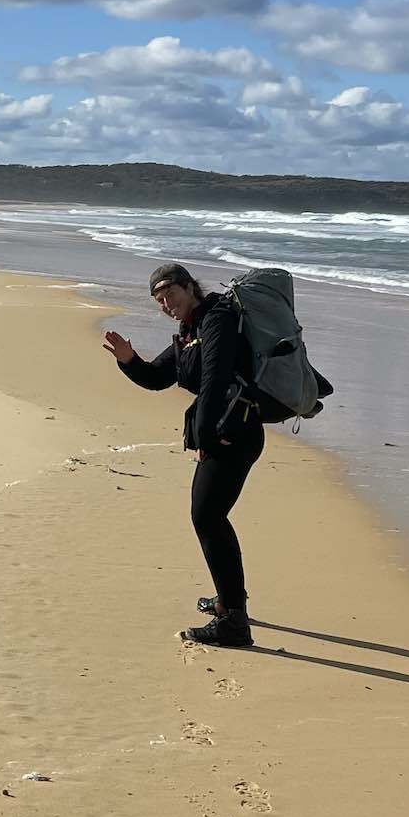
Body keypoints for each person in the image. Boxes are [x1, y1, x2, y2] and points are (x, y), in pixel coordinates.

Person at [103, 260, 261, 649]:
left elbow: (216, 380)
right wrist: (129, 360)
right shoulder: (190, 331)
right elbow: (158, 377)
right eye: (159, 300)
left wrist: (206, 436)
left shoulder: (218, 319)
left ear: (190, 287)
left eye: (170, 294)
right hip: (223, 431)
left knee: (207, 516)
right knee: (208, 516)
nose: (165, 304)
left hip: (233, 434)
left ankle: (234, 622)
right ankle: (229, 604)